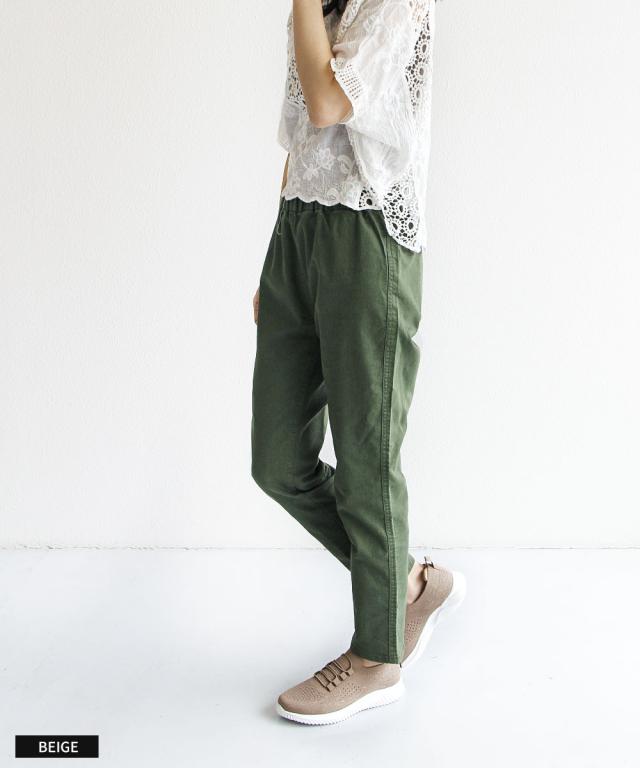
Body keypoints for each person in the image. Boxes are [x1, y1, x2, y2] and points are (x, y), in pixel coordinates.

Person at [251, 0, 465, 725]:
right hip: (299, 232)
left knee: (367, 463)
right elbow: (303, 143)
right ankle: (408, 583)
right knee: (278, 461)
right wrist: (277, 258)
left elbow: (327, 102)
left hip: (368, 238)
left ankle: (378, 658)